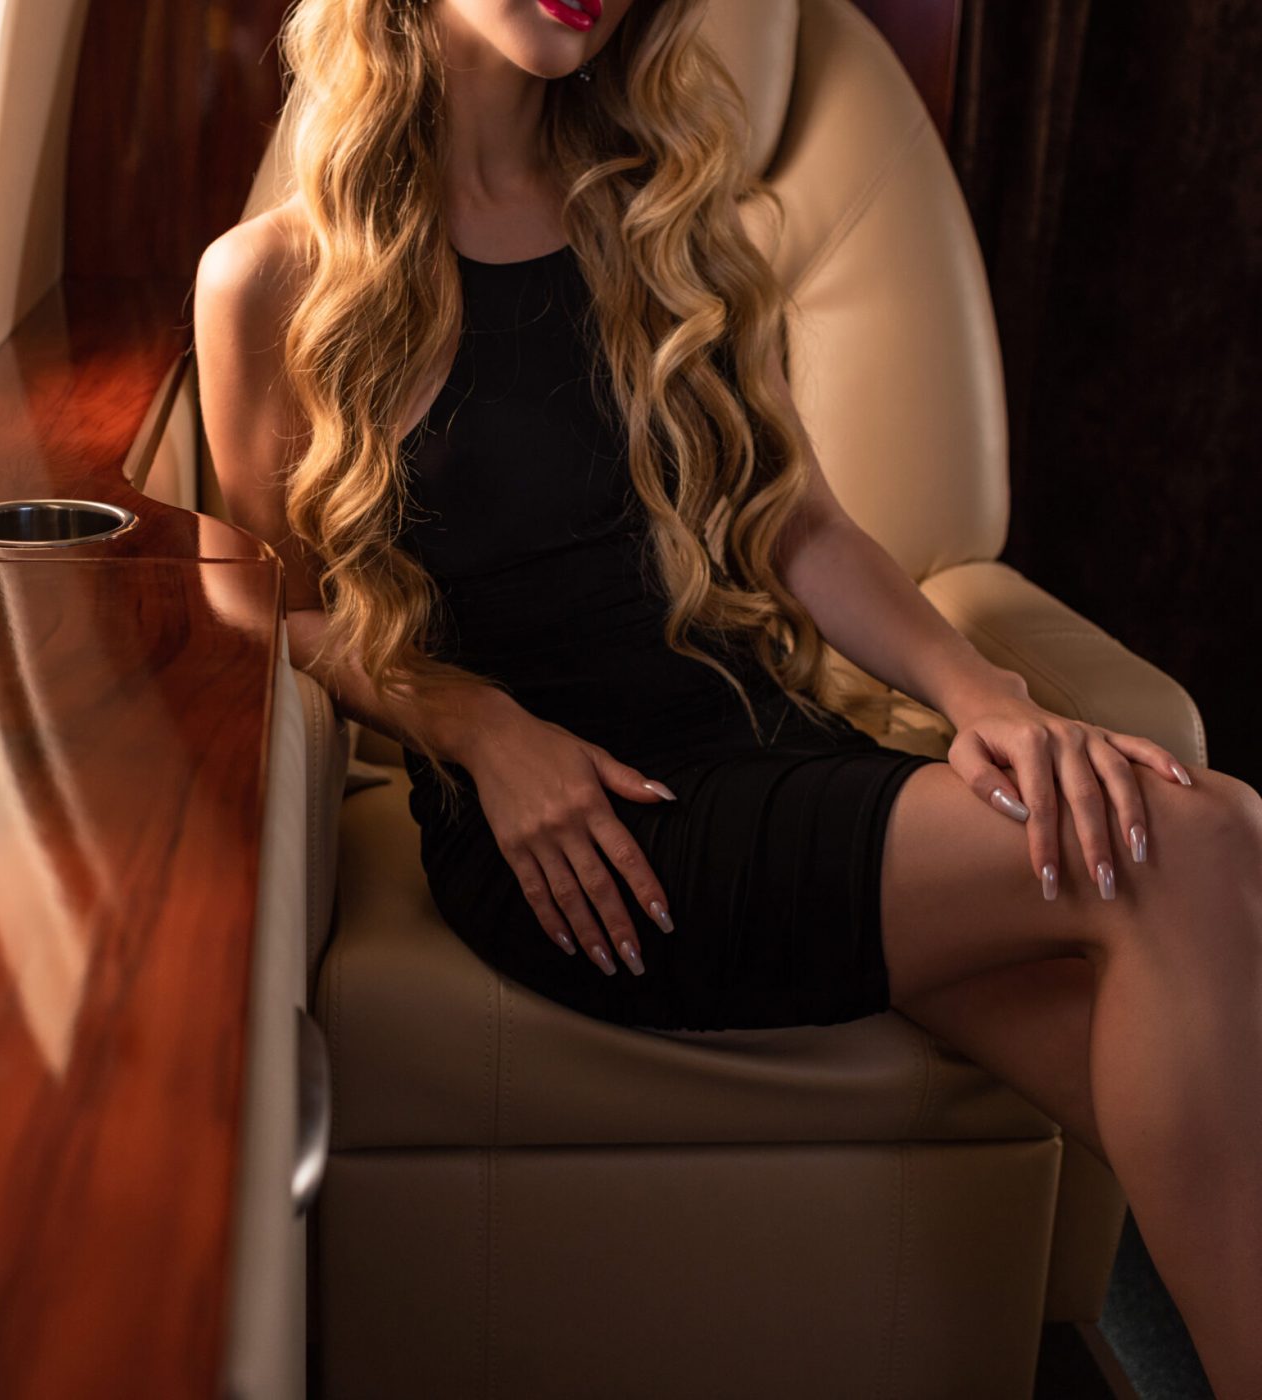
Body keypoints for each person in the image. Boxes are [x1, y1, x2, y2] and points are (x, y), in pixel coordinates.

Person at [193, 0, 1262, 1389]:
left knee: (1194, 1043)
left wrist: (980, 689)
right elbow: (265, 601)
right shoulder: (268, 277)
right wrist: (476, 724)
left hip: (766, 746)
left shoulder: (657, 212)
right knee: (1204, 835)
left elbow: (794, 526)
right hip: (594, 832)